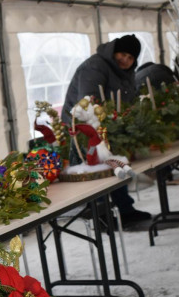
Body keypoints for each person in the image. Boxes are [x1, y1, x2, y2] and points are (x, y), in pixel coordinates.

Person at [62, 34, 151, 228]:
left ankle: (125, 210)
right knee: (98, 169)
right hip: (83, 126)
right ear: (114, 51)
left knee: (114, 164)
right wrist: (107, 120)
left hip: (107, 125)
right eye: (123, 54)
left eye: (130, 58)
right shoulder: (95, 66)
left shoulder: (125, 72)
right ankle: (101, 215)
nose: (125, 60)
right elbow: (89, 100)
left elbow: (128, 98)